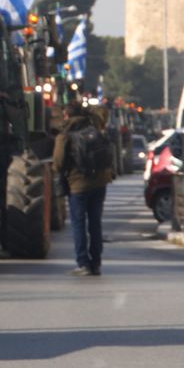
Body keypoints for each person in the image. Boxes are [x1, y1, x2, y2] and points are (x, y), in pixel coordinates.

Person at [53, 100, 118, 276]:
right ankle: (96, 263)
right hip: (100, 183)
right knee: (95, 223)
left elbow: (57, 163)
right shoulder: (95, 128)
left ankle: (83, 264)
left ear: (66, 115)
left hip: (78, 185)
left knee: (78, 223)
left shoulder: (65, 134)